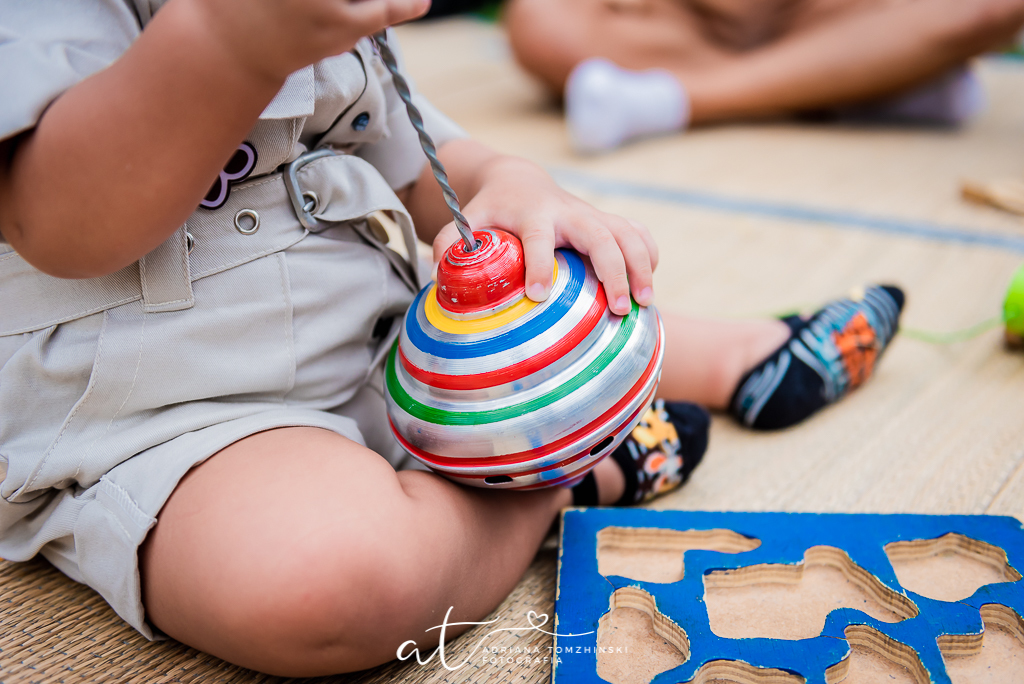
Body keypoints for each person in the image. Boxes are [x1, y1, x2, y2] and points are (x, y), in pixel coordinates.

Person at [0, 0, 902, 676]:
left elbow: (411, 150)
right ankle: (559, 473)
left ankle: (737, 353)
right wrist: (227, 42)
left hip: (381, 330)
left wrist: (512, 182)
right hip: (161, 419)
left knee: (540, 288)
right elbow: (65, 224)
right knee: (325, 584)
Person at [505, 0, 1024, 151]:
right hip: (686, 25)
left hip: (822, 11)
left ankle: (673, 100)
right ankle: (858, 81)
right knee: (539, 18)